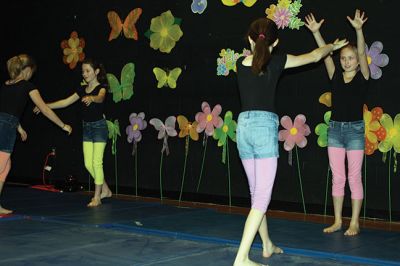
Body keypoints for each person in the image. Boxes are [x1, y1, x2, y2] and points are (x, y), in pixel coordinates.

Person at [234, 18, 348, 266]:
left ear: (251, 39)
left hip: (243, 127)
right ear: (275, 41)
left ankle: (266, 244)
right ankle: (241, 258)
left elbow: (256, 65)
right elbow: (316, 56)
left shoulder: (239, 64)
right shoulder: (277, 61)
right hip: (263, 128)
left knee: (256, 196)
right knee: (262, 198)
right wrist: (332, 46)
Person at [305, 10, 369, 236]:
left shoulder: (363, 76)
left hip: (354, 130)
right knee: (338, 177)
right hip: (335, 130)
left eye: (350, 58)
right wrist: (317, 34)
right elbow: (325, 56)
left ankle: (354, 222)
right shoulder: (335, 75)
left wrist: (359, 30)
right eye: (343, 58)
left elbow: (362, 52)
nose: (347, 61)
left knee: (354, 176)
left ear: (357, 62)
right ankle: (338, 220)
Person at [34, 58, 112, 207]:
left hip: (99, 128)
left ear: (96, 72)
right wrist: (44, 105)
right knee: (88, 164)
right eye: (83, 71)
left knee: (97, 162)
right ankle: (106, 189)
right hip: (87, 128)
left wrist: (92, 98)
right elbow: (65, 102)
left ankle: (97, 197)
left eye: (88, 71)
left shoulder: (101, 88)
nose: (84, 74)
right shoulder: (81, 89)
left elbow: (100, 98)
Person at [0, 54, 72, 214]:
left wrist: (19, 128)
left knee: (6, 166)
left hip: (7, 124)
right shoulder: (28, 86)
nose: (31, 75)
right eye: (32, 72)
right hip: (6, 128)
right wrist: (63, 125)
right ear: (26, 70)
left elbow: (7, 110)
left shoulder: (6, 85)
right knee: (1, 165)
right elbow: (45, 109)